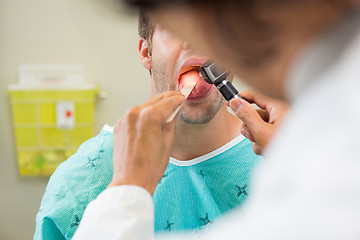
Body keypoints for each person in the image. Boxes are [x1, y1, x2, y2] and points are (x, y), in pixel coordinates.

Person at [73, 0, 360, 239]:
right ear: (146, 53)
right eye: (173, 29)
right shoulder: (81, 180)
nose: (195, 43)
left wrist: (125, 194)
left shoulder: (313, 157)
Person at [33, 9, 274, 240]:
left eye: (219, 29)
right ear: (146, 53)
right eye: (178, 27)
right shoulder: (81, 180)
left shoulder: (280, 154)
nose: (200, 41)